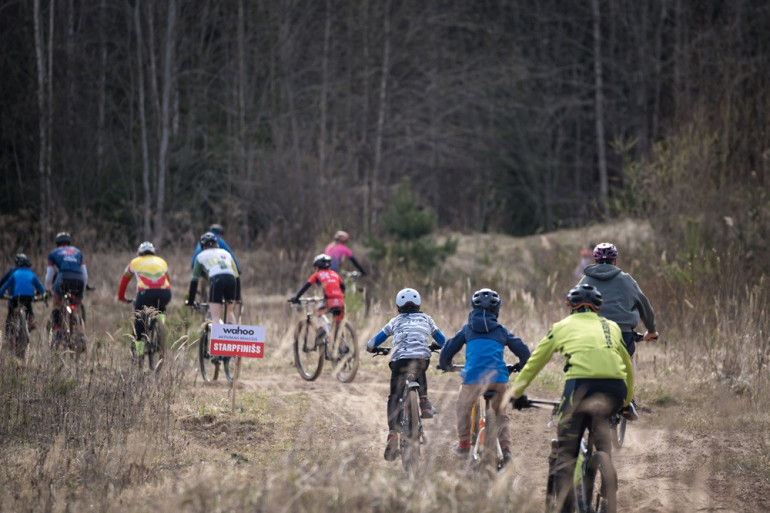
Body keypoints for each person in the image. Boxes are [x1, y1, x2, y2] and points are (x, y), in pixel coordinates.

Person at [510, 284, 634, 513]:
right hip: (615, 389)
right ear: (598, 308)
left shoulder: (561, 327)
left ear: (569, 306)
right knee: (602, 434)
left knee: (567, 454)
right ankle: (607, 473)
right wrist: (626, 401)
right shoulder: (612, 327)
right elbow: (627, 364)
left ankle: (566, 507)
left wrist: (516, 393)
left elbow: (535, 362)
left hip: (579, 388)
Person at [438, 288, 531, 465]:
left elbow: (448, 349)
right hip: (498, 380)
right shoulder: (501, 330)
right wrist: (522, 364)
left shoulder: (467, 329)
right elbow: (523, 349)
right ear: (497, 310)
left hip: (472, 380)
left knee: (463, 406)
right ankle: (506, 450)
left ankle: (464, 443)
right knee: (501, 414)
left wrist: (445, 364)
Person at [366, 288, 446, 461]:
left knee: (394, 395)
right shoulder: (427, 319)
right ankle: (424, 401)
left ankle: (393, 434)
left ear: (398, 307)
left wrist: (372, 348)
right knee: (419, 366)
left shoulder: (395, 321)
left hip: (400, 362)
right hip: (421, 360)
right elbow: (443, 340)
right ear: (418, 305)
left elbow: (372, 342)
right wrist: (434, 345)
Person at [577, 242, 658, 359]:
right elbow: (645, 306)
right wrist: (651, 330)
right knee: (629, 361)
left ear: (595, 261)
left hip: (593, 335)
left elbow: (575, 306)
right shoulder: (626, 280)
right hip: (623, 336)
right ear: (615, 261)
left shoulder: (585, 280)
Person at [117, 242, 172, 355]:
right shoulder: (162, 261)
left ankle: (139, 353)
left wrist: (121, 297)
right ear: (154, 252)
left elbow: (124, 282)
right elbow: (168, 279)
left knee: (140, 322)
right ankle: (160, 327)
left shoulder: (134, 262)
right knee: (161, 307)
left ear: (139, 253)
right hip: (165, 292)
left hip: (145, 293)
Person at [289, 253, 347, 340]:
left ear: (317, 266)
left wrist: (296, 297)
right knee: (338, 323)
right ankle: (341, 344)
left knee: (316, 312)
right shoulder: (335, 274)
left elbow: (306, 287)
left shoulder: (317, 275)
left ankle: (321, 329)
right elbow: (343, 287)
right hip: (340, 301)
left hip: (329, 301)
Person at [186, 232, 239, 325]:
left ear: (203, 247)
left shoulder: (200, 257)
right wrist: (237, 298)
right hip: (231, 279)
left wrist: (191, 301)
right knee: (230, 311)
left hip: (216, 279)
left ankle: (216, 338)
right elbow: (237, 277)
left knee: (215, 317)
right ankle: (232, 337)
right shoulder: (226, 253)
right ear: (217, 244)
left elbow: (194, 281)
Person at [45, 232, 88, 340]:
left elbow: (49, 275)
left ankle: (58, 329)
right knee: (76, 306)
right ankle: (80, 331)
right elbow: (85, 274)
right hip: (79, 280)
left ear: (57, 243)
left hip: (63, 278)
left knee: (57, 304)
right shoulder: (78, 252)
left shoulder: (53, 253)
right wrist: (82, 289)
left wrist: (48, 289)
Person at [191, 223, 242, 300]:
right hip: (209, 266)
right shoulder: (217, 240)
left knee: (204, 279)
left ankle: (203, 297)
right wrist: (237, 269)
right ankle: (213, 297)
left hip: (195, 264)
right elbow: (230, 254)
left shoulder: (203, 239)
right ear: (219, 234)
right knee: (215, 278)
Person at [0, 253, 46, 333]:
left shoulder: (15, 273)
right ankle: (31, 321)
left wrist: (1, 293)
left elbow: (5, 284)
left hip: (15, 297)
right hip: (29, 297)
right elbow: (40, 286)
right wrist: (45, 295)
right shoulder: (31, 273)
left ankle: (8, 334)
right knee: (29, 308)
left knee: (11, 314)